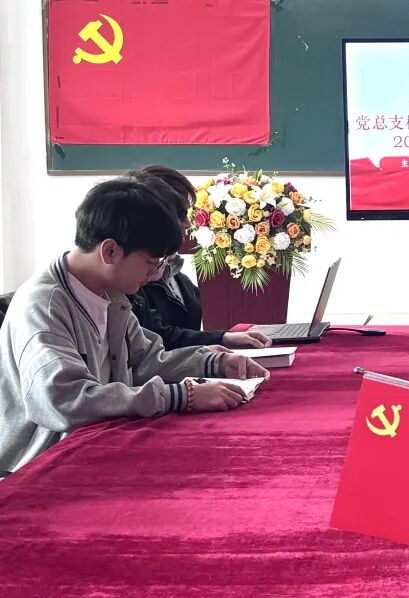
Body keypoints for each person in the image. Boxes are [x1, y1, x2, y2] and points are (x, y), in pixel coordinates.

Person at [0, 178, 267, 476]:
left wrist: (214, 363)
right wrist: (182, 396)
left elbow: (146, 360)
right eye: (153, 262)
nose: (156, 275)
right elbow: (65, 401)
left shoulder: (110, 294)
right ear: (110, 252)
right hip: (40, 466)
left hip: (99, 443)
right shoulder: (44, 307)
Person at [125, 165, 270, 350]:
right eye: (180, 214)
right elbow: (155, 340)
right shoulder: (134, 279)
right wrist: (217, 342)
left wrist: (221, 339)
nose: (187, 223)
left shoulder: (178, 277)